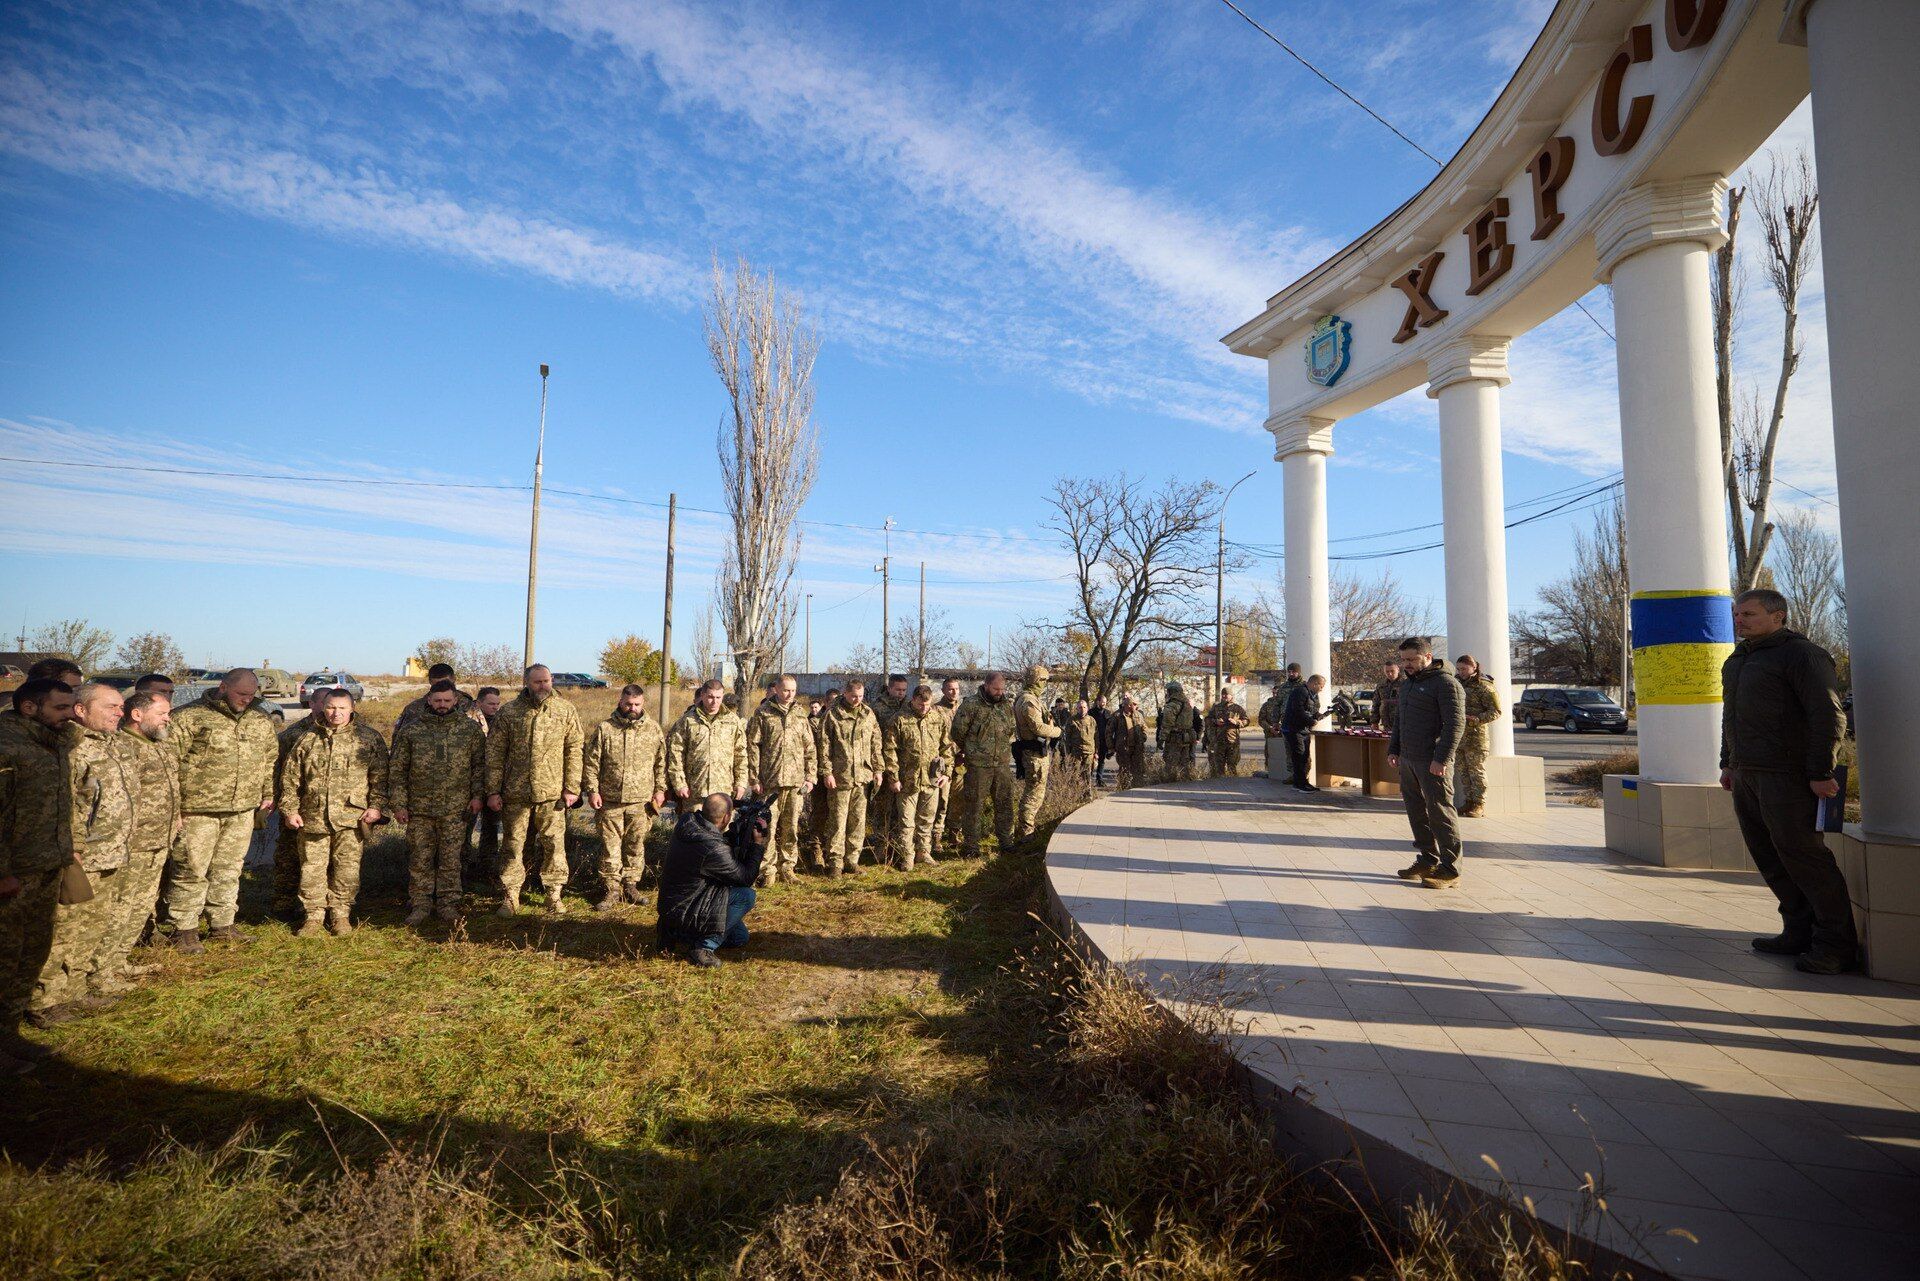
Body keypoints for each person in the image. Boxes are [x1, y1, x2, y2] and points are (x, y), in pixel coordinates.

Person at [1720, 588, 1857, 974]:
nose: (1739, 620)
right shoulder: (1738, 660)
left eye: (1749, 614)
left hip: (1789, 777)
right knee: (1770, 857)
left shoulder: (1802, 654)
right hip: (1748, 773)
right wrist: (1728, 762)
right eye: (1737, 614)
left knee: (1806, 859)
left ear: (1778, 616)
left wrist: (1820, 772)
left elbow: (1828, 716)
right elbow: (1730, 715)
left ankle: (1836, 946)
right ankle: (1798, 931)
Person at [30, 682, 136, 1025]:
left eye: (121, 707)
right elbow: (66, 804)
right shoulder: (71, 747)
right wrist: (71, 848)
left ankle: (75, 991)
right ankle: (44, 1001)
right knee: (63, 930)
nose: (119, 713)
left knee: (93, 927)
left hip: (112, 853)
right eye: (111, 707)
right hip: (80, 857)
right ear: (81, 709)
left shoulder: (114, 744)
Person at [162, 668, 277, 952]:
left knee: (229, 869)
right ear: (223, 687)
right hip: (197, 810)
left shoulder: (259, 720)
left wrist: (266, 793)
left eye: (252, 695)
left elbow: (268, 759)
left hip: (241, 809)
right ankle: (183, 930)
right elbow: (168, 763)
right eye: (241, 694)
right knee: (191, 869)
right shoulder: (188, 717)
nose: (247, 700)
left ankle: (222, 925)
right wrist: (175, 807)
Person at [0, 678, 76, 1071]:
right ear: (30, 707)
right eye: (61, 708)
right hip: (13, 876)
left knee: (30, 954)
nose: (71, 715)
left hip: (45, 866)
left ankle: (9, 1034)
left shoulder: (52, 743)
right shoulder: (8, 745)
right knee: (4, 958)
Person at [280, 688, 388, 937]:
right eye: (330, 707)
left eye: (341, 708)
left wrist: (376, 807)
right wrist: (290, 810)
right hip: (313, 816)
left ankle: (341, 916)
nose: (335, 713)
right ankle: (313, 918)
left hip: (352, 817)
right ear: (321, 707)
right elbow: (290, 779)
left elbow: (381, 778)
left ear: (352, 708)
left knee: (347, 869)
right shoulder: (307, 739)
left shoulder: (368, 738)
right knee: (312, 869)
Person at [93, 690, 177, 995]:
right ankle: (99, 972)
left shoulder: (158, 744)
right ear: (137, 715)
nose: (168, 718)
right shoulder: (123, 747)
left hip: (158, 839)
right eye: (162, 713)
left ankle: (118, 961)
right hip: (133, 843)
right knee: (120, 908)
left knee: (139, 906)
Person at [486, 664, 584, 916]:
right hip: (516, 793)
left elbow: (574, 750)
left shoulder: (565, 710)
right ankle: (511, 895)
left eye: (547, 681)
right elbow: (495, 753)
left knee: (554, 845)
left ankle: (553, 894)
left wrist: (572, 787)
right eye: (538, 682)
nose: (543, 686)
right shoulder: (509, 712)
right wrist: (493, 790)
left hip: (552, 794)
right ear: (526, 682)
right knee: (513, 845)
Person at [391, 679, 486, 925]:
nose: (442, 705)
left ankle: (448, 905)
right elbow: (398, 770)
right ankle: (420, 905)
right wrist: (399, 805)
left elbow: (479, 767)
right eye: (437, 701)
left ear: (455, 701)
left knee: (451, 860)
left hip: (456, 810)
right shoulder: (412, 730)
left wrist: (477, 797)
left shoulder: (469, 729)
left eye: (447, 700)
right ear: (429, 701)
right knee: (420, 859)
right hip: (419, 809)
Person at [1388, 637, 1465, 889]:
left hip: (1433, 761)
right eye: (1404, 660)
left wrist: (1441, 758)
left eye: (1412, 659)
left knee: (1440, 812)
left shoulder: (1445, 683)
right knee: (1416, 811)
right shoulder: (1409, 685)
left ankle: (1450, 869)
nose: (1406, 665)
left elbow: (1455, 725)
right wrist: (1395, 749)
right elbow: (1400, 720)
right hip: (1409, 759)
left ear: (1428, 657)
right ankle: (1427, 859)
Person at [580, 683, 666, 909]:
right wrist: (592, 790)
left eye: (637, 704)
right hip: (610, 801)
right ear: (620, 701)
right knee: (610, 847)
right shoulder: (605, 729)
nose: (632, 708)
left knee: (636, 845)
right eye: (628, 704)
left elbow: (661, 763)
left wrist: (659, 790)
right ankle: (611, 890)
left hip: (641, 801)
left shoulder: (653, 730)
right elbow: (591, 763)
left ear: (643, 703)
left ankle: (631, 886)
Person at [656, 793, 765, 968]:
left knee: (739, 938)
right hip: (688, 909)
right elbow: (744, 878)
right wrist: (757, 846)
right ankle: (702, 948)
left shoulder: (687, 822)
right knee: (746, 896)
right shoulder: (713, 848)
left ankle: (674, 931)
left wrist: (736, 832)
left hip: (671, 907)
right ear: (727, 817)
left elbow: (714, 844)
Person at [745, 675, 816, 887]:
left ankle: (788, 868)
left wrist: (811, 776)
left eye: (793, 691)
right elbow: (752, 746)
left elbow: (809, 748)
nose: (790, 695)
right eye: (786, 690)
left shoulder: (800, 715)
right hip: (770, 783)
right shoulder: (763, 713)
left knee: (791, 828)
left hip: (795, 784)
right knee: (768, 829)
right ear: (776, 689)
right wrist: (754, 777)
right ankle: (768, 871)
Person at [815, 678, 880, 874]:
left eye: (860, 696)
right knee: (838, 822)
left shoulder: (868, 714)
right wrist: (827, 772)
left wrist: (878, 770)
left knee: (858, 822)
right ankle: (835, 863)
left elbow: (876, 744)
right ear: (845, 693)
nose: (856, 700)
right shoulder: (833, 715)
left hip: (862, 777)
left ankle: (852, 860)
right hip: (840, 777)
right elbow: (823, 746)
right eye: (853, 696)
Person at [881, 684, 949, 870]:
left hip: (931, 779)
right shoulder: (900, 719)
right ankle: (907, 856)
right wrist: (893, 777)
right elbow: (890, 750)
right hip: (907, 780)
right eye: (920, 705)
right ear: (913, 700)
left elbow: (946, 747)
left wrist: (947, 774)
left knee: (927, 819)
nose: (924, 708)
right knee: (906, 821)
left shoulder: (937, 718)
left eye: (927, 705)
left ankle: (923, 852)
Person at [950, 672, 1016, 857]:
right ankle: (971, 847)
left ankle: (1006, 843)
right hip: (978, 766)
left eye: (1002, 689)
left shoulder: (1006, 705)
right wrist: (973, 749)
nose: (999, 692)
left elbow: (1011, 729)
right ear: (986, 686)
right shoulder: (971, 705)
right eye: (996, 689)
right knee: (974, 807)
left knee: (1005, 805)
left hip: (1001, 764)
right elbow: (957, 732)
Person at [666, 679, 748, 810]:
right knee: (695, 829)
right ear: (702, 695)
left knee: (723, 830)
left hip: (723, 789)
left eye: (718, 697)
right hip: (695, 791)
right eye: (710, 697)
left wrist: (741, 782)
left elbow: (741, 754)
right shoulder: (687, 720)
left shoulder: (733, 721)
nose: (714, 701)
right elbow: (676, 753)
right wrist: (679, 783)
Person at [1012, 664, 1062, 842]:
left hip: (1036, 752)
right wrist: (1057, 731)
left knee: (1034, 793)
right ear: (1036, 681)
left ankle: (1026, 829)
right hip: (1033, 754)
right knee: (1033, 794)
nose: (1045, 685)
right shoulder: (1028, 701)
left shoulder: (1030, 698)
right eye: (1043, 681)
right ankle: (1026, 832)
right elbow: (1038, 727)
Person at [867, 675, 911, 866]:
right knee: (882, 808)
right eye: (898, 690)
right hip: (883, 763)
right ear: (890, 689)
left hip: (905, 765)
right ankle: (881, 846)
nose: (901, 693)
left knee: (901, 809)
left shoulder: (908, 706)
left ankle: (899, 846)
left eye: (904, 690)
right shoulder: (877, 707)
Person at [1453, 655, 1502, 818]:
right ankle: (1468, 802)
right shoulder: (1456, 684)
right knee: (1463, 771)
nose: (1461, 672)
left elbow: (1496, 711)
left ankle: (1479, 804)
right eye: (1459, 669)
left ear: (1474, 668)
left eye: (1464, 669)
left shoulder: (1484, 686)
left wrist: (1477, 719)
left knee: (1476, 771)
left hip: (1476, 737)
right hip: (1459, 736)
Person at [470, 686, 503, 880]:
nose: (495, 707)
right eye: (491, 704)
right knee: (467, 826)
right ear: (479, 702)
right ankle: (465, 868)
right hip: (472, 783)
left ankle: (487, 867)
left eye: (498, 704)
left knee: (491, 827)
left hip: (493, 784)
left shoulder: (501, 720)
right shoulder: (467, 720)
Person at [395, 662, 481, 734]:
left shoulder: (469, 707)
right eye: (437, 684)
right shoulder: (414, 709)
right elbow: (400, 739)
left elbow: (482, 737)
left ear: (454, 679)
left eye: (446, 683)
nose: (442, 687)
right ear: (430, 682)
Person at [1281, 675, 1331, 792]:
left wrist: (1319, 715)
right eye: (1321, 686)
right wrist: (1310, 721)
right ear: (1315, 684)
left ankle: (1302, 782)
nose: (1322, 689)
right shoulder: (1300, 692)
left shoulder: (1312, 694)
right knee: (1299, 756)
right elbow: (1298, 710)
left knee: (1304, 757)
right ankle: (1300, 784)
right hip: (1294, 729)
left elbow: (1311, 711)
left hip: (1303, 730)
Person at [931, 678, 963, 850]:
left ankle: (954, 833)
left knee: (958, 799)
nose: (954, 692)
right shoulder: (936, 710)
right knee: (941, 800)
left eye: (956, 689)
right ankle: (936, 835)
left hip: (960, 760)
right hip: (943, 762)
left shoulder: (963, 709)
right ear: (943, 690)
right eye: (950, 689)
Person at [1155, 681, 1197, 780]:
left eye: (1168, 691)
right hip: (1187, 738)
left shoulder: (1172, 705)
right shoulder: (1186, 703)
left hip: (1175, 739)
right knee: (1184, 762)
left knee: (1170, 763)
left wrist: (1161, 739)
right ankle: (1185, 782)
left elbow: (1167, 724)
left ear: (1172, 691)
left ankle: (1170, 783)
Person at [1204, 691, 1250, 778]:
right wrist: (1215, 721)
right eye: (1223, 694)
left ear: (1231, 696)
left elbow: (1247, 721)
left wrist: (1236, 722)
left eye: (1227, 694)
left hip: (1232, 742)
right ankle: (1220, 785)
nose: (1224, 696)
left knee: (1232, 766)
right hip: (1219, 741)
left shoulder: (1237, 708)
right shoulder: (1216, 708)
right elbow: (1207, 720)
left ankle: (1232, 785)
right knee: (1218, 767)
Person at [1111, 696, 1148, 790]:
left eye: (1136, 704)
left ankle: (1138, 789)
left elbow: (1144, 727)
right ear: (1128, 705)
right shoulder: (1117, 715)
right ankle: (1123, 789)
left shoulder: (1138, 715)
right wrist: (1111, 746)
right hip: (1123, 748)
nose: (1135, 706)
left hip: (1137, 748)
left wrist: (1143, 737)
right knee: (1124, 770)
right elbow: (1109, 732)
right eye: (1134, 704)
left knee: (1138, 770)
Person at [1062, 699, 1099, 783]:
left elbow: (1096, 737)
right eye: (1080, 707)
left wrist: (1096, 752)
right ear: (1077, 709)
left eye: (1084, 707)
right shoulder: (1071, 720)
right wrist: (1068, 752)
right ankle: (1075, 794)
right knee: (1074, 776)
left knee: (1087, 776)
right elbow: (1067, 738)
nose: (1082, 709)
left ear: (1087, 708)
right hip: (1076, 753)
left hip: (1089, 753)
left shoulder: (1092, 720)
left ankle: (1087, 795)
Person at [1089, 695, 1112, 785]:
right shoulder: (1091, 712)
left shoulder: (1108, 713)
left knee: (1102, 760)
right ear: (1098, 702)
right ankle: (1089, 779)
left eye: (1105, 702)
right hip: (1093, 740)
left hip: (1104, 740)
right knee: (1091, 761)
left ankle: (1099, 779)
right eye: (1102, 702)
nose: (1104, 704)